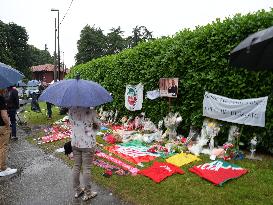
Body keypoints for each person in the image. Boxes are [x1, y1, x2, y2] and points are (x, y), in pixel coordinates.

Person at [68, 107, 100, 201]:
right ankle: (88, 193)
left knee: (76, 166)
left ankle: (77, 190)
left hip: (75, 142)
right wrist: (93, 125)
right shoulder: (91, 111)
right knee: (87, 168)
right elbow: (98, 126)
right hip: (88, 144)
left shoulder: (71, 110)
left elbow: (72, 124)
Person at [0, 89, 17, 177]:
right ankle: (3, 168)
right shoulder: (1, 98)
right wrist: (8, 124)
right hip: (2, 126)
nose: (6, 90)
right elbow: (4, 115)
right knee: (3, 147)